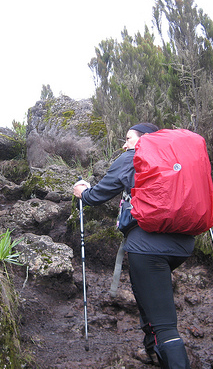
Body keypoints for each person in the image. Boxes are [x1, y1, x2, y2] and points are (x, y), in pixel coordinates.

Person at [73, 123, 193, 369]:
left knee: (165, 324)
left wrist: (82, 193)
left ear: (144, 139)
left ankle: (171, 357)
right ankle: (151, 352)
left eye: (128, 138)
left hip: (147, 246)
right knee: (148, 295)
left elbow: (97, 195)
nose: (124, 144)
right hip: (183, 244)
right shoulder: (177, 158)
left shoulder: (133, 157)